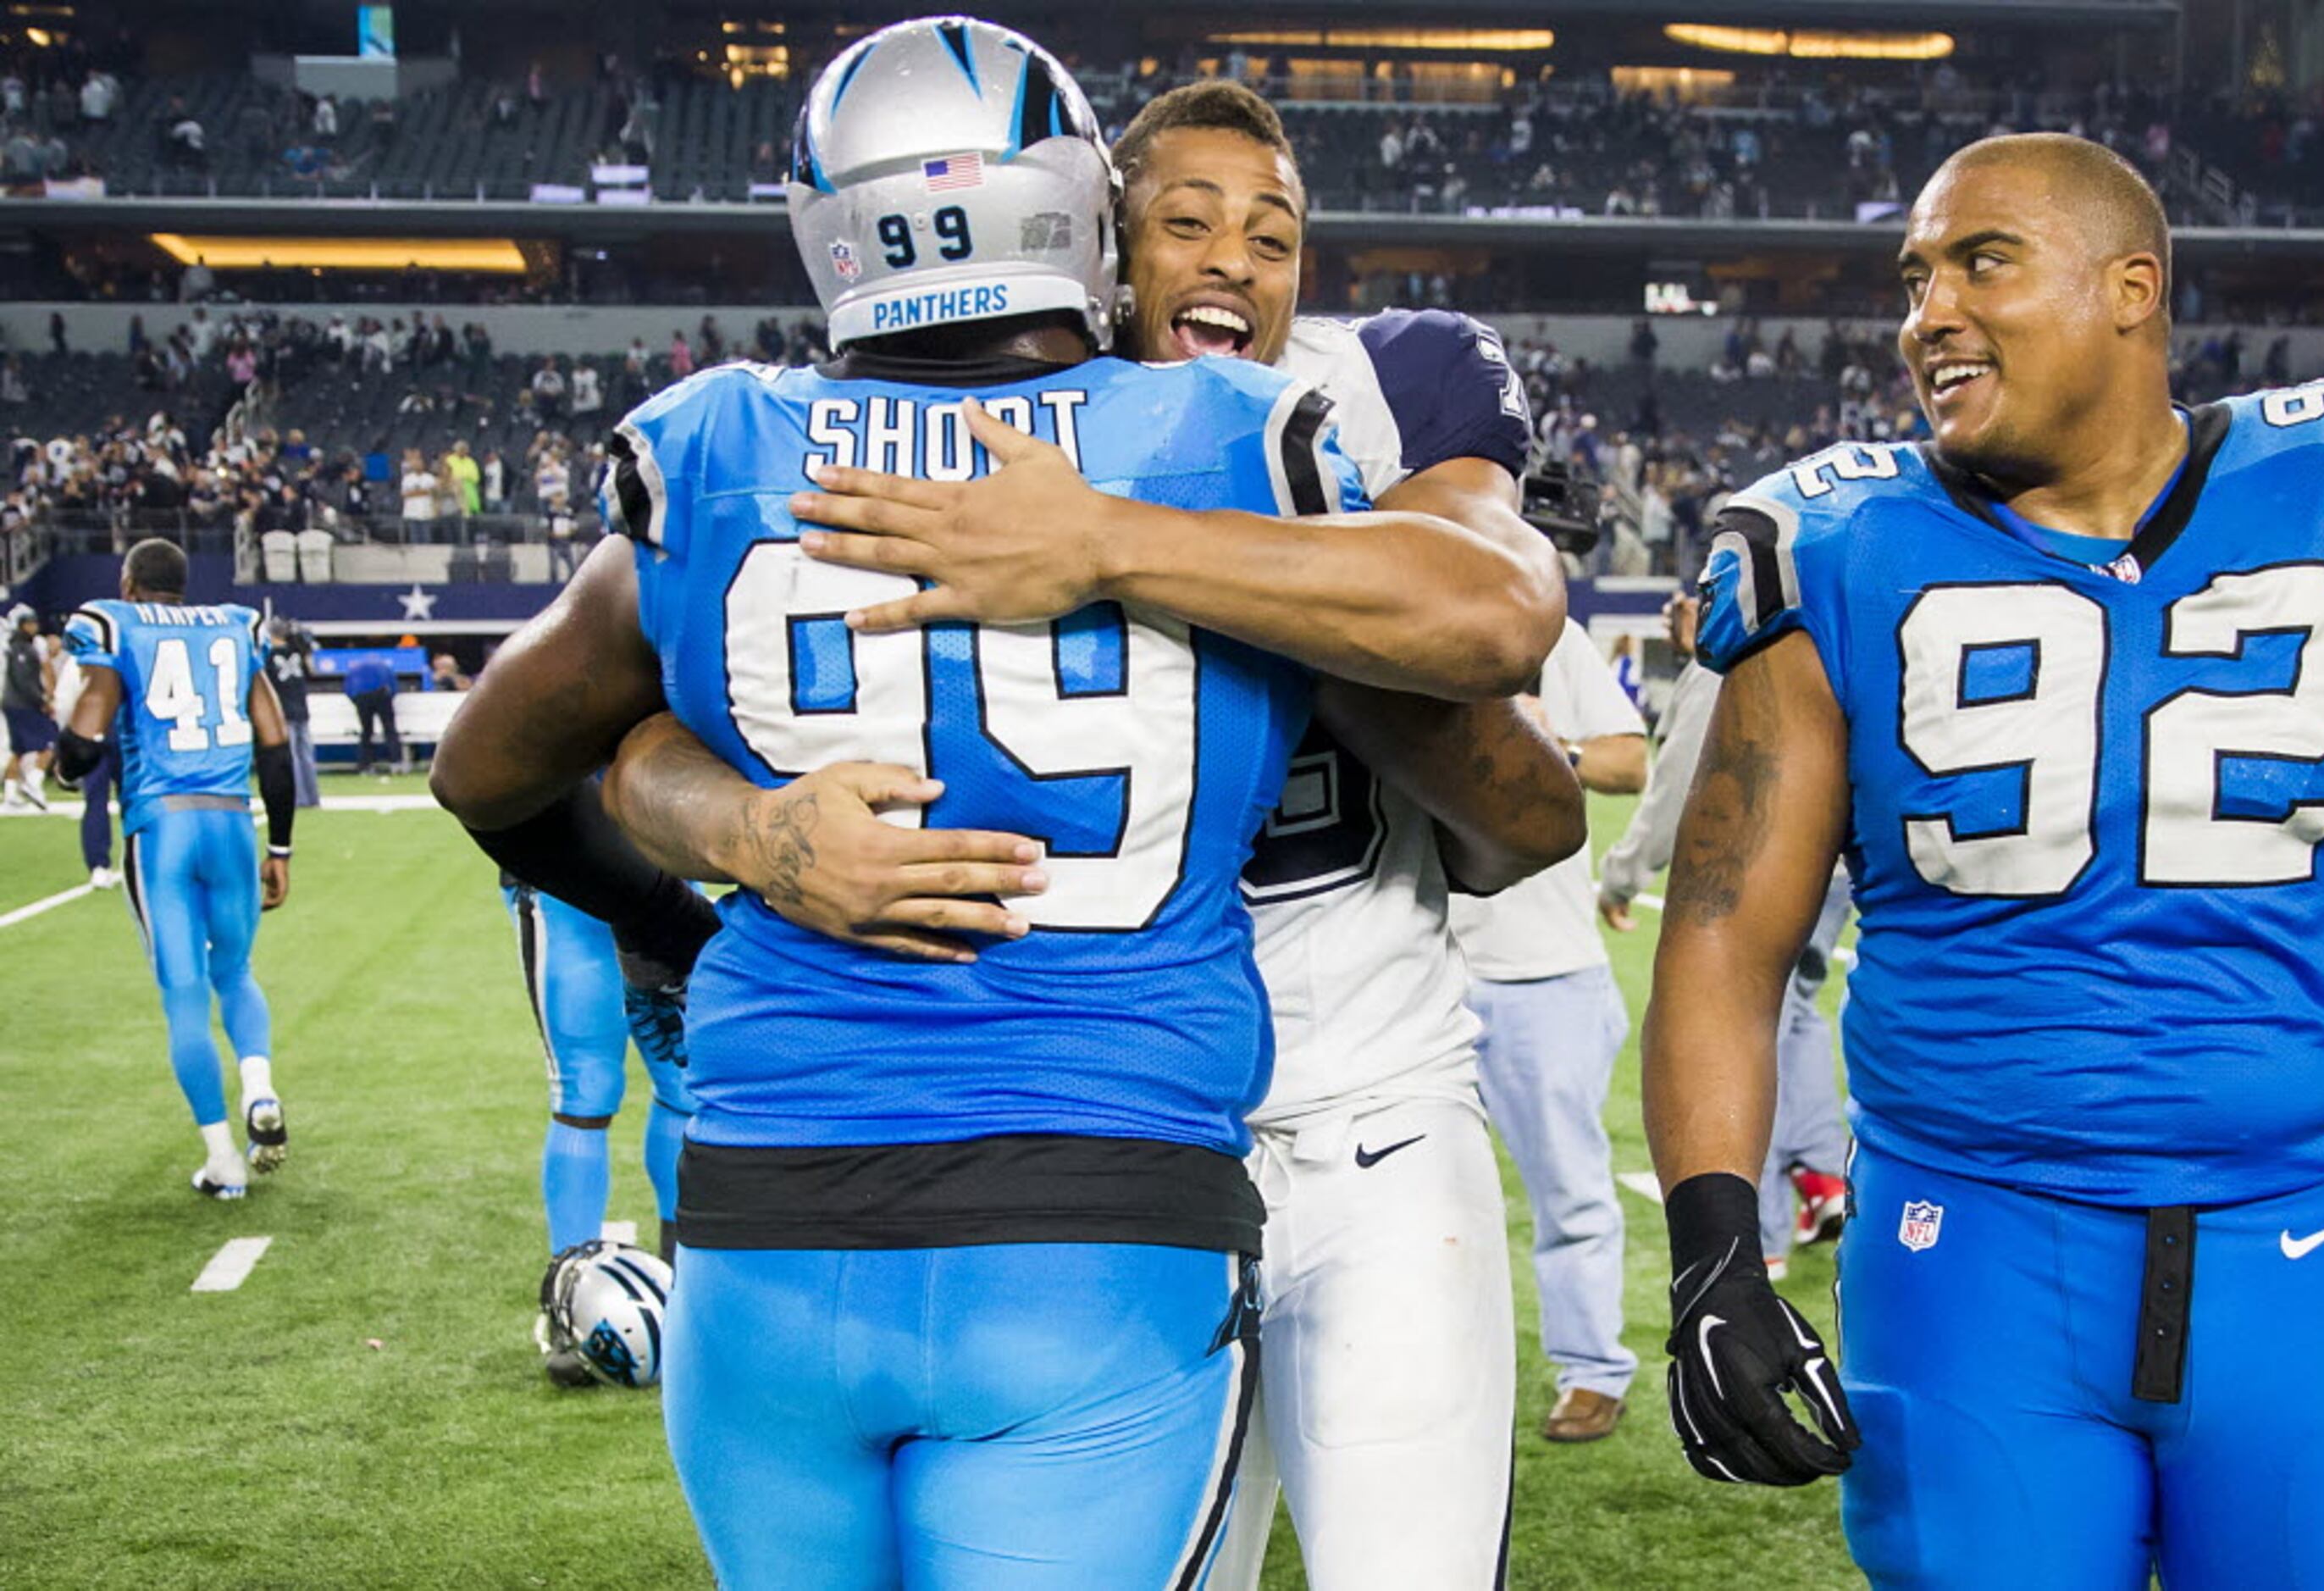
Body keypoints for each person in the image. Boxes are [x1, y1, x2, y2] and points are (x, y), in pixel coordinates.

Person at [431, 22, 1542, 1583]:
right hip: (1097, 1209)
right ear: (1087, 212)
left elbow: (488, 764)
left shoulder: (717, 444)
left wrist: (689, 889)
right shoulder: (1231, 440)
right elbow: (1505, 708)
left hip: (767, 1223)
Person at [1646, 132, 2324, 1586]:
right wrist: (1713, 1249)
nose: (1930, 311)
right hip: (1972, 1251)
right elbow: (1725, 939)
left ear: (2132, 289)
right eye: (1915, 277)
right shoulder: (1844, 540)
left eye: (1984, 261)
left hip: (2314, 1232)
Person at [1596, 592, 1851, 1272]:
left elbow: (1682, 780)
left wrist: (1621, 877)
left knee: (1737, 1014)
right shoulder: (1833, 617)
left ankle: (1760, 1230)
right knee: (1797, 1012)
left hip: (1763, 856)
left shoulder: (1736, 637)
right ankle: (1823, 1172)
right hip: (1841, 864)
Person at [1446, 617, 1649, 1443]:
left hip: (1540, 970)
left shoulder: (1536, 629)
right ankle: (1434, 1372)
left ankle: (1593, 1371)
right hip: (1411, 968)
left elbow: (1627, 762)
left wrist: (1539, 748)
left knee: (1568, 1191)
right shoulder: (1364, 619)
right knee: (1416, 1201)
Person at [59, 538, 296, 1200]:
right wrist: (280, 847)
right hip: (229, 821)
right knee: (237, 970)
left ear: (129, 582)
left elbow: (88, 731)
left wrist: (64, 764)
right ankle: (259, 1086)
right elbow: (275, 751)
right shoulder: (235, 624)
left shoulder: (115, 621)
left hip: (161, 826)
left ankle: (223, 1158)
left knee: (184, 993)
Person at [502, 871, 695, 1386]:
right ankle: (570, 1295)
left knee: (684, 1085)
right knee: (585, 1089)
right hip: (566, 886)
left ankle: (689, 1284)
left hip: (663, 883)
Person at [48, 628, 119, 885]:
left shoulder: (76, 662)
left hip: (91, 733)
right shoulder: (126, 653)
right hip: (125, 733)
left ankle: (99, 865)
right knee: (138, 800)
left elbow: (64, 704)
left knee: (96, 800)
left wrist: (71, 743)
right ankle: (144, 858)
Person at [3, 602, 54, 808]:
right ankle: (33, 783)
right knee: (50, 743)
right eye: (29, 623)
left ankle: (10, 794)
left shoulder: (19, 646)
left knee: (19, 750)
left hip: (14, 703)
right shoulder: (21, 649)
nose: (34, 626)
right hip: (23, 704)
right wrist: (42, 702)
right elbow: (24, 681)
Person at [264, 618, 320, 807]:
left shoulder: (270, 656)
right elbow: (312, 672)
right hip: (301, 708)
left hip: (284, 711)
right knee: (306, 755)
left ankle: (298, 797)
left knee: (292, 757)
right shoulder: (297, 651)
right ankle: (312, 796)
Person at [342, 646, 401, 776]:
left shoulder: (355, 668)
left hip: (362, 697)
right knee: (390, 729)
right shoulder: (384, 666)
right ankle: (396, 763)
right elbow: (394, 686)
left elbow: (347, 688)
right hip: (382, 695)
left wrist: (356, 700)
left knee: (366, 732)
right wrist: (389, 697)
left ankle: (365, 766)